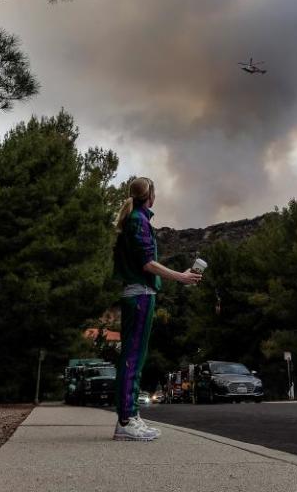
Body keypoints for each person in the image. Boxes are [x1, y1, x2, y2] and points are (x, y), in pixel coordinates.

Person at [111, 177, 201, 441]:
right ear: (151, 195)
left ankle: (130, 416)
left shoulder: (136, 218)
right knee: (132, 358)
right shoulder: (138, 220)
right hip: (140, 295)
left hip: (139, 294)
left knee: (135, 358)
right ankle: (126, 421)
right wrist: (182, 277)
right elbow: (147, 263)